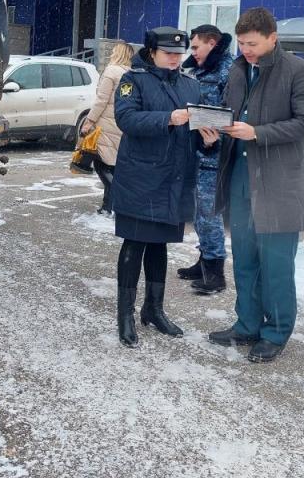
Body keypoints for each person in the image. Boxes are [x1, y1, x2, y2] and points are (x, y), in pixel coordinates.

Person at [205, 8, 304, 363]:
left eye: (252, 44)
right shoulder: (238, 69)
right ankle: (247, 325)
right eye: (241, 43)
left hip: (279, 184)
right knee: (245, 261)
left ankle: (276, 332)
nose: (246, 50)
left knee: (276, 266)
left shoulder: (299, 70)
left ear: (273, 38)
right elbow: (229, 112)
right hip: (240, 179)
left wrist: (257, 132)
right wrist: (213, 130)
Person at [109, 27, 218, 347]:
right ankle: (125, 315)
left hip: (174, 180)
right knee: (134, 244)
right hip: (141, 178)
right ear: (152, 52)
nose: (175, 59)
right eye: (168, 53)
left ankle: (154, 309)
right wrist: (168, 118)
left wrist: (209, 141)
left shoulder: (190, 85)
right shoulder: (133, 80)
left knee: (159, 245)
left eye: (179, 54)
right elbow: (127, 119)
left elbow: (197, 131)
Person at [177, 24, 234, 294]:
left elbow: (233, 114)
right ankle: (204, 260)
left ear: (212, 43)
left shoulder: (228, 71)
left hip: (215, 154)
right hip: (197, 150)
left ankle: (215, 272)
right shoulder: (199, 69)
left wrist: (213, 137)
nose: (193, 52)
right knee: (199, 213)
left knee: (210, 213)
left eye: (196, 47)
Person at [80, 41, 135, 216]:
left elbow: (101, 100)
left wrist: (89, 121)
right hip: (121, 124)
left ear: (117, 53)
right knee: (113, 166)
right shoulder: (130, 74)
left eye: (113, 51)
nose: (111, 53)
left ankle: (116, 201)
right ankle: (108, 206)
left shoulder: (111, 71)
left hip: (105, 124)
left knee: (101, 163)